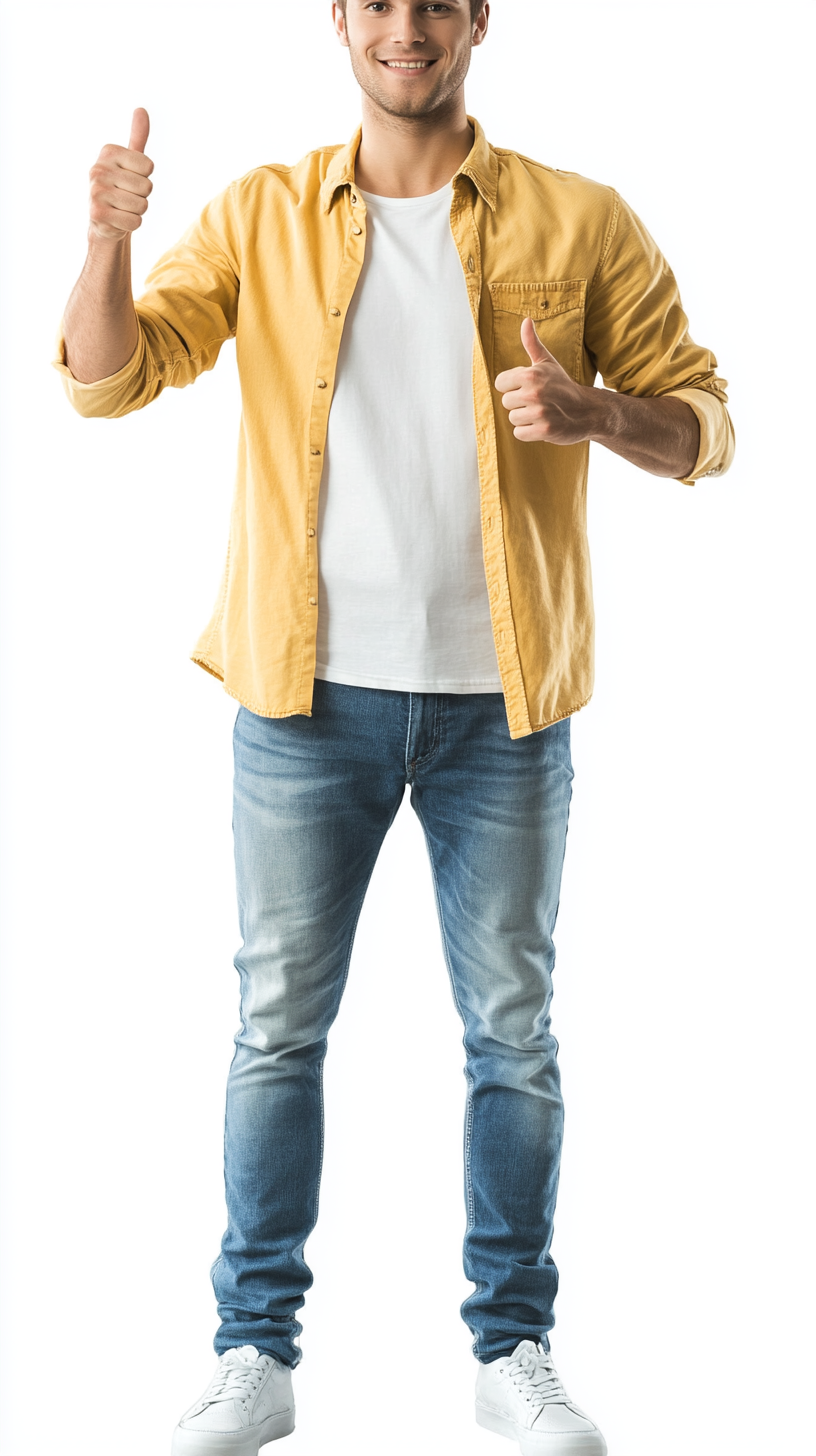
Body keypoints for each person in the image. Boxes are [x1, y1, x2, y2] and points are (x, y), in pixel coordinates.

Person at [54, 1, 734, 1452]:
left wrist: (597, 411)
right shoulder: (259, 212)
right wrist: (108, 237)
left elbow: (704, 425)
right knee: (276, 1033)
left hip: (508, 706)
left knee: (514, 1037)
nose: (406, 28)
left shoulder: (581, 216)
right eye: (379, 0)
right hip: (302, 703)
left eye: (436, 0)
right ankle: (254, 1352)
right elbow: (108, 379)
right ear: (342, 21)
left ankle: (515, 1351)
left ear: (477, 18)